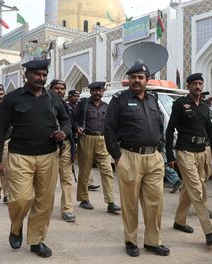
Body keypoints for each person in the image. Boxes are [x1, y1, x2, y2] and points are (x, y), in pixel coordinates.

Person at [0, 59, 71, 258]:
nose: (41, 78)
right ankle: (16, 227)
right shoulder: (12, 98)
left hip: (49, 156)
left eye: (44, 75)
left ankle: (37, 240)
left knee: (44, 201)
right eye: (37, 74)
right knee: (21, 198)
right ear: (27, 75)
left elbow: (66, 119)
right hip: (19, 156)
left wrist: (65, 132)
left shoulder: (53, 98)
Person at [104, 63, 170, 257]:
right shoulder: (120, 100)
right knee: (130, 203)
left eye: (140, 77)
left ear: (146, 79)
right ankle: (131, 240)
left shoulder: (153, 99)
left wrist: (161, 150)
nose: (136, 80)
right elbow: (108, 129)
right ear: (129, 79)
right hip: (129, 157)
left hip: (154, 158)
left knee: (155, 202)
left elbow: (160, 125)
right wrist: (117, 157)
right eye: (133, 77)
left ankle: (152, 241)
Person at [165, 73, 212, 246]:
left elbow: (210, 130)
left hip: (202, 152)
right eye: (194, 83)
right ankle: (209, 232)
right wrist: (170, 156)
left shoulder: (204, 107)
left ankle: (179, 221)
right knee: (197, 189)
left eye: (200, 83)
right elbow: (170, 130)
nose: (198, 86)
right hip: (185, 152)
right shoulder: (180, 104)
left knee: (189, 188)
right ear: (189, 86)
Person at [73, 81, 120, 213]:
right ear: (90, 91)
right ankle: (83, 199)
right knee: (85, 170)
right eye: (95, 90)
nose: (97, 93)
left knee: (107, 170)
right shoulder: (83, 104)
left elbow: (111, 124)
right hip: (86, 138)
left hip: (103, 140)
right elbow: (73, 119)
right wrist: (77, 127)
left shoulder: (106, 106)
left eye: (100, 91)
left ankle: (110, 202)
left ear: (103, 91)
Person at [49, 79, 77, 222]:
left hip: (65, 146)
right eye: (56, 88)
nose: (59, 91)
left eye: (62, 88)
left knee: (66, 178)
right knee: (47, 181)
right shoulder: (44, 103)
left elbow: (72, 125)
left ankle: (67, 209)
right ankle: (43, 208)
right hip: (47, 148)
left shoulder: (69, 107)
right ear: (50, 89)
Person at [67, 90, 99, 191]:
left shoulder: (82, 106)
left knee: (85, 162)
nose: (76, 98)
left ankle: (88, 183)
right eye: (74, 96)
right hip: (70, 137)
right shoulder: (67, 107)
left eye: (78, 96)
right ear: (69, 97)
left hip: (81, 137)